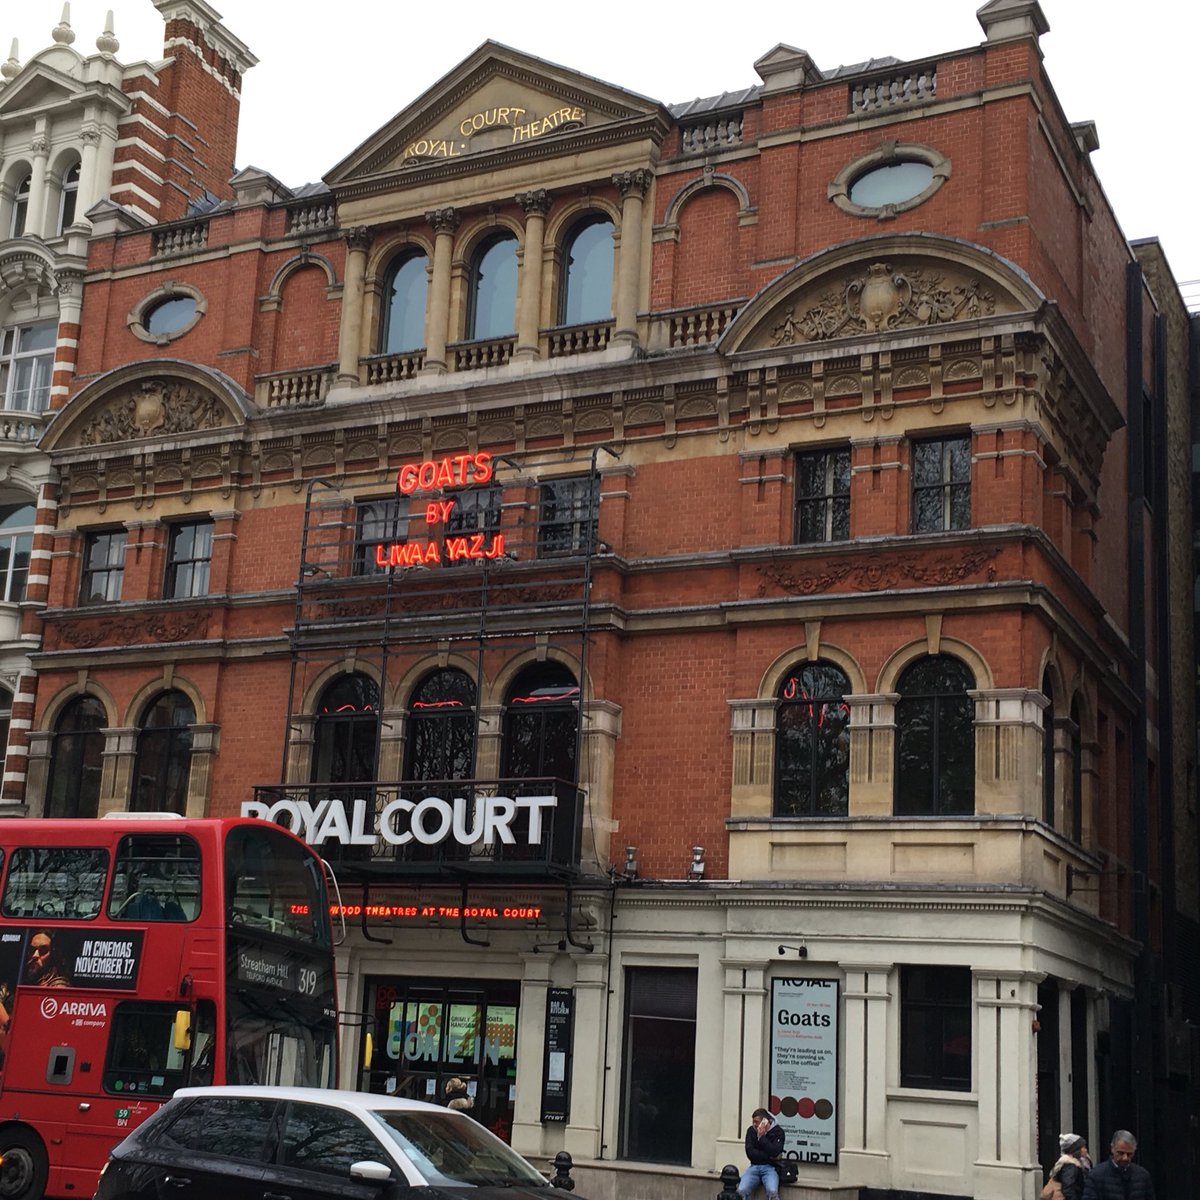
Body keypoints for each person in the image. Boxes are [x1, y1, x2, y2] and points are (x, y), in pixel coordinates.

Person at [1082, 1131, 1155, 1200]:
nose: (1125, 1158)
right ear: (1112, 1148)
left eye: (1129, 1154)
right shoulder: (1096, 1175)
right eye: (1120, 1153)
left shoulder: (1143, 1176)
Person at [738, 1107, 785, 1200]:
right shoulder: (751, 1131)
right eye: (753, 1122)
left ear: (765, 1121)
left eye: (757, 1122)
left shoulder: (778, 1132)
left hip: (770, 1167)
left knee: (772, 1191)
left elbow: (775, 1151)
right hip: (754, 1166)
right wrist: (769, 1156)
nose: (754, 1125)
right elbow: (750, 1153)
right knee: (741, 1190)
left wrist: (761, 1137)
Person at [1047, 1133, 1089, 1200]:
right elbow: (1068, 1189)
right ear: (1076, 1149)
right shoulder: (1070, 1165)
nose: (1086, 1150)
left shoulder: (1081, 1162)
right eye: (1083, 1147)